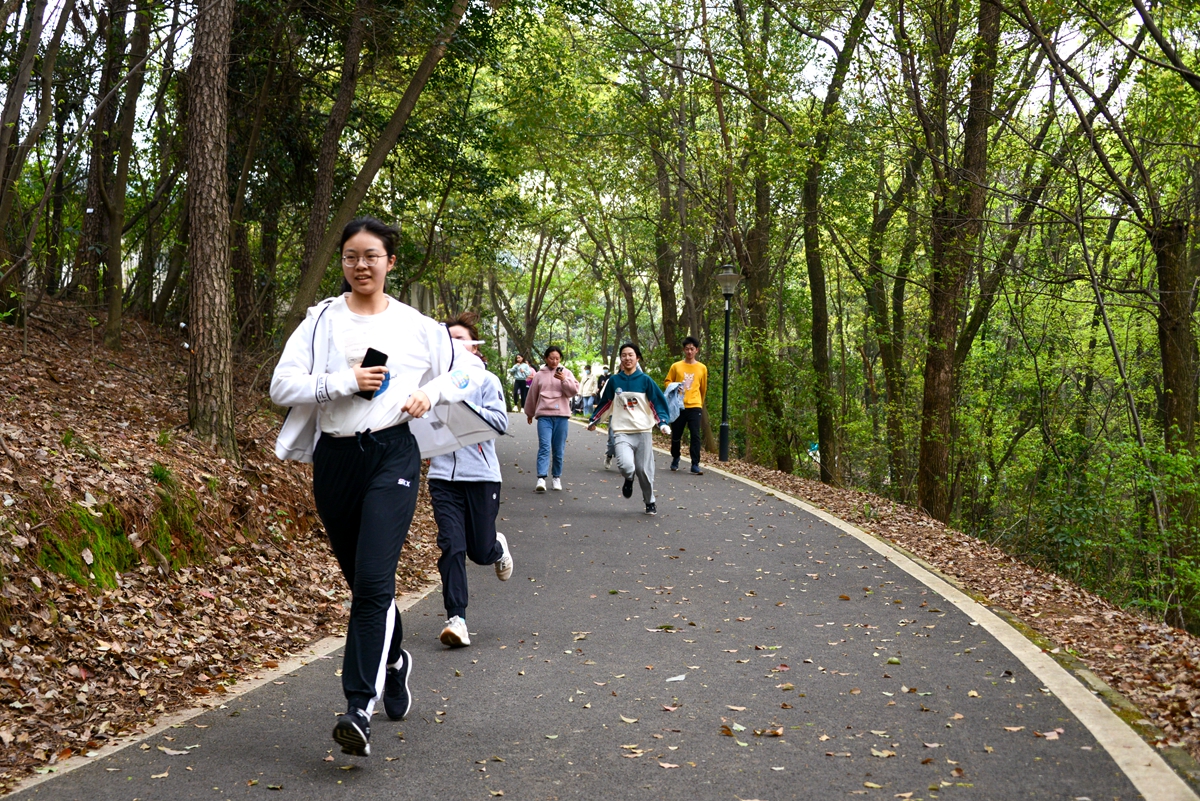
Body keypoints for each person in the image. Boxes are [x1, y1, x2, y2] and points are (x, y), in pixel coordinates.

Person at [271, 217, 487, 758]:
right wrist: (344, 381)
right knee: (364, 586)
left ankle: (356, 709)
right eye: (350, 256)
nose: (360, 265)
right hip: (335, 458)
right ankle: (393, 660)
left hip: (392, 453)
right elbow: (281, 386)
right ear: (342, 262)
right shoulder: (321, 322)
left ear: (391, 261)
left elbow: (470, 376)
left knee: (372, 581)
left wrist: (430, 395)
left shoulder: (417, 326)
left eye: (370, 255)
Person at [428, 312, 514, 649]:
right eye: (447, 340)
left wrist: (464, 409)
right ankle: (456, 618)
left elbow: (500, 422)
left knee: (479, 551)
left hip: (480, 476)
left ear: (474, 347)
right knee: (452, 545)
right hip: (442, 478)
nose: (453, 344)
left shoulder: (486, 381)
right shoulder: (432, 383)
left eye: (460, 338)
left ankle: (496, 547)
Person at [588, 343, 672, 515]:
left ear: (637, 357)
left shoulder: (645, 380)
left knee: (644, 470)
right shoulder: (614, 381)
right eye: (624, 355)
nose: (627, 358)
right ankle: (628, 477)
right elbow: (606, 403)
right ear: (620, 358)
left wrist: (662, 422)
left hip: (643, 432)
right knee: (627, 466)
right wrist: (594, 420)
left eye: (630, 355)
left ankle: (650, 501)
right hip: (622, 431)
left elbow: (657, 402)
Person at [524, 345, 579, 492]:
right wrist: (529, 413)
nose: (554, 361)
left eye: (557, 358)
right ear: (545, 358)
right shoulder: (539, 375)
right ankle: (541, 478)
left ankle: (556, 478)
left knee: (558, 449)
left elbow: (573, 392)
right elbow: (532, 395)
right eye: (551, 358)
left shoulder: (566, 372)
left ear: (560, 359)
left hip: (561, 416)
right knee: (544, 446)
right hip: (544, 416)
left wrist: (564, 380)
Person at [665, 336, 709, 475]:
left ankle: (695, 464)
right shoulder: (676, 366)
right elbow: (667, 381)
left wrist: (700, 404)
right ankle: (676, 457)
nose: (689, 351)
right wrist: (674, 387)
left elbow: (703, 388)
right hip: (678, 405)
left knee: (695, 435)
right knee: (676, 435)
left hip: (695, 405)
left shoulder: (702, 368)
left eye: (692, 349)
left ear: (697, 350)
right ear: (684, 350)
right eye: (687, 349)